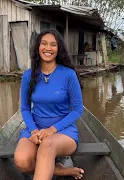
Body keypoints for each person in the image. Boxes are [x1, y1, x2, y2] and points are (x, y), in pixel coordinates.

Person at [14, 29, 85, 180]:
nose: (48, 48)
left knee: (47, 143)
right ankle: (61, 171)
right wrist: (33, 130)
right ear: (38, 47)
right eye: (44, 43)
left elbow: (78, 110)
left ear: (58, 49)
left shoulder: (68, 75)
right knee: (22, 161)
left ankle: (50, 165)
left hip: (63, 131)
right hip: (36, 129)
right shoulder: (28, 75)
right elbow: (25, 108)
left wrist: (52, 130)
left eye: (53, 44)